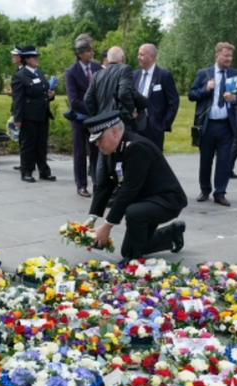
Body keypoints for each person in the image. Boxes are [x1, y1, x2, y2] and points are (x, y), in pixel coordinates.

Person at [84, 110, 188, 260]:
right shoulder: (112, 149)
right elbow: (105, 185)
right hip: (145, 200)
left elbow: (129, 190)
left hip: (166, 200)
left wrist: (107, 226)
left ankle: (136, 262)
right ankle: (172, 234)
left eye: (99, 138)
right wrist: (92, 218)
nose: (97, 143)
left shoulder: (137, 147)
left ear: (114, 132)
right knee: (127, 250)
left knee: (134, 213)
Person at [189, 42, 237, 206]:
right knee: (205, 160)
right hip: (207, 125)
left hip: (226, 126)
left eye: (231, 56)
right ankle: (205, 190)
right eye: (226, 55)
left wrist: (234, 98)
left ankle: (220, 193)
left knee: (224, 161)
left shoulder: (235, 74)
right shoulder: (203, 73)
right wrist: (205, 89)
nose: (229, 59)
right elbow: (192, 95)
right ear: (217, 56)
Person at [11, 45, 56, 183]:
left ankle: (44, 171)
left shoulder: (39, 73)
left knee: (41, 144)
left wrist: (50, 95)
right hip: (29, 115)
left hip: (42, 114)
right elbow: (18, 98)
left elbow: (43, 91)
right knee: (28, 144)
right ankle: (26, 171)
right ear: (26, 60)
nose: (36, 59)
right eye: (33, 57)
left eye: (36, 56)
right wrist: (17, 117)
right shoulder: (20, 76)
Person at [65, 34, 102, 197]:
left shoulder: (98, 68)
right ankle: (81, 185)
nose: (91, 53)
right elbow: (74, 100)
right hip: (80, 120)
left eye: (91, 49)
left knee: (96, 152)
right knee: (80, 153)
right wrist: (92, 110)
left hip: (96, 121)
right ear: (80, 53)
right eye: (88, 50)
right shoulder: (71, 72)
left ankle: (96, 182)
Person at [132, 43, 179, 152]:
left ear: (151, 56)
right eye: (138, 54)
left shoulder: (164, 75)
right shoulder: (134, 75)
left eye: (141, 55)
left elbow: (174, 102)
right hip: (136, 127)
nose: (138, 57)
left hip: (154, 128)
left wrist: (164, 124)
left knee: (154, 162)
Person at [85, 47, 138, 126]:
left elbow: (87, 99)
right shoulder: (125, 69)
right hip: (118, 122)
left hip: (101, 122)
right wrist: (132, 110)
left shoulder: (97, 74)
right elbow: (123, 93)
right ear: (123, 58)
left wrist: (96, 115)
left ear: (108, 59)